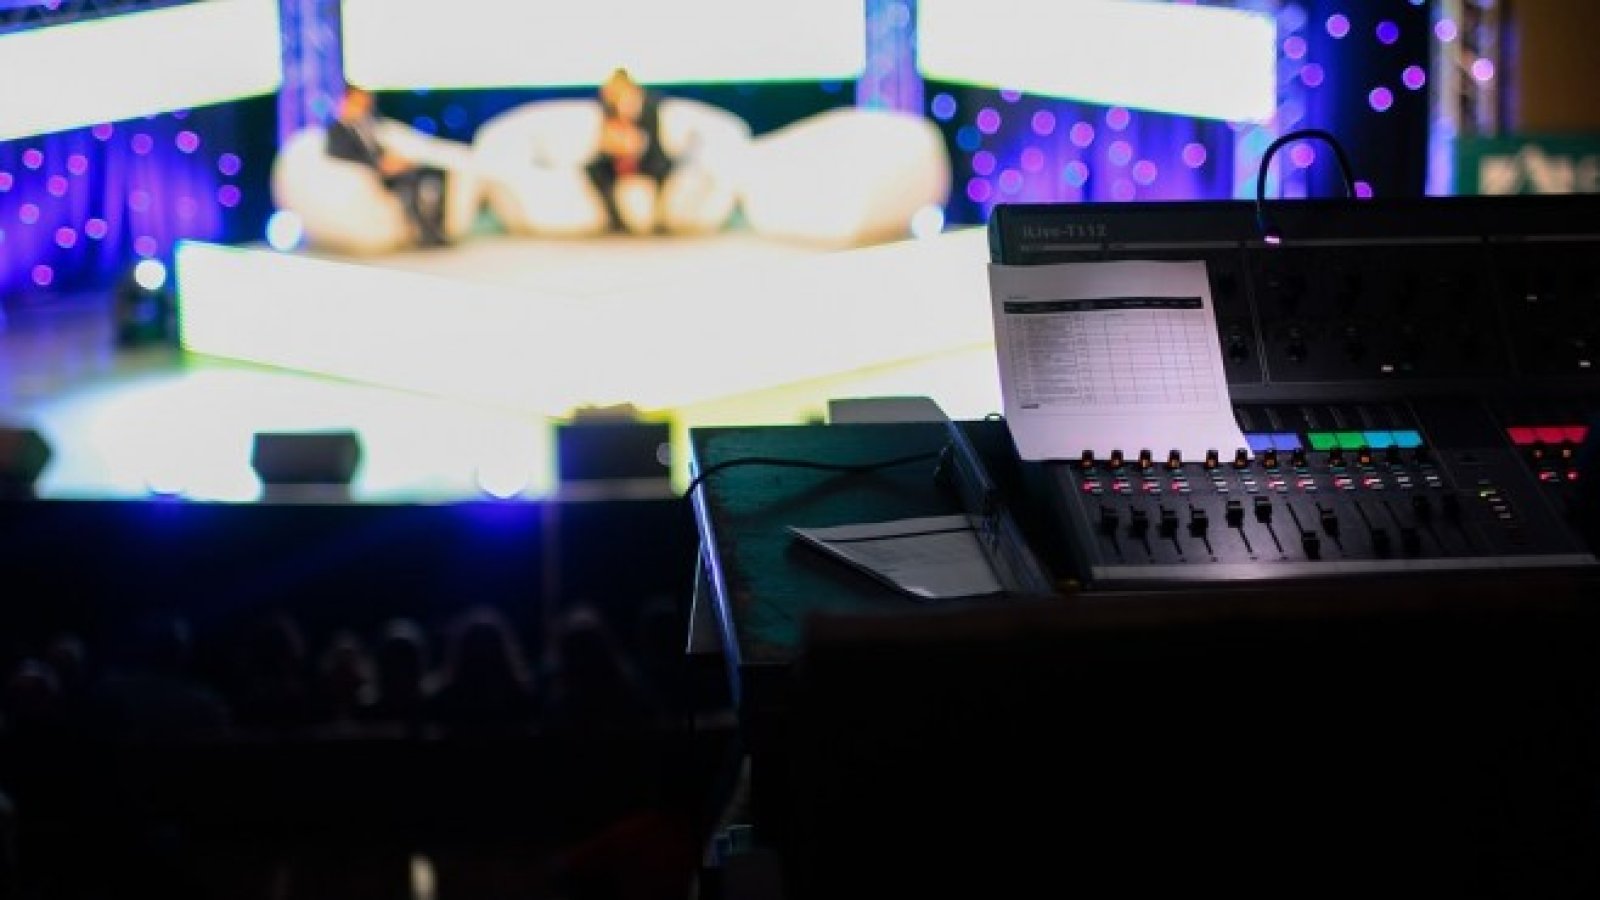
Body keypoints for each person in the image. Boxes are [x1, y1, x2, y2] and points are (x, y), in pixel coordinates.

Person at [326, 84, 451, 246]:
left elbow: (377, 151)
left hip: (382, 170)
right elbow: (346, 157)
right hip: (369, 175)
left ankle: (432, 228)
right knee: (410, 181)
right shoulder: (337, 130)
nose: (365, 104)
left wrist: (393, 161)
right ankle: (426, 232)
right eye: (360, 100)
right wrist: (379, 166)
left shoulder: (367, 126)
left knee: (426, 173)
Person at [585, 68, 673, 234]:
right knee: (594, 170)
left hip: (646, 157)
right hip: (616, 158)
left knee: (664, 168)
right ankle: (616, 220)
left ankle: (660, 218)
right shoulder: (608, 107)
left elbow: (651, 140)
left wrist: (634, 147)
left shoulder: (649, 106)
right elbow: (605, 139)